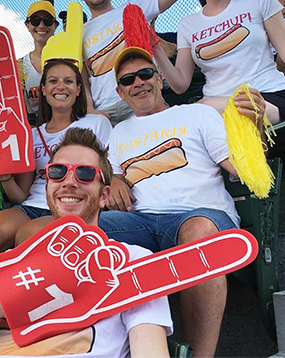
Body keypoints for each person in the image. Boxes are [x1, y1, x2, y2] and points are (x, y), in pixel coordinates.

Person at [0, 128, 173, 358]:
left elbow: (150, 350)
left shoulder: (133, 259)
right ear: (47, 192)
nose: (69, 181)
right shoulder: (13, 261)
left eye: (84, 173)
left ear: (104, 196)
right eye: (57, 172)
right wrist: (12, 298)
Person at [99, 47, 266, 358]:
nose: (139, 82)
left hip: (199, 215)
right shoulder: (119, 132)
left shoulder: (196, 113)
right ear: (121, 93)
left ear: (160, 79)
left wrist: (253, 129)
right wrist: (117, 179)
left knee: (199, 233)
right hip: (140, 221)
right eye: (128, 79)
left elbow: (241, 167)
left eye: (145, 74)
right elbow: (109, 179)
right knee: (82, 231)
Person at [154, 0, 285, 124]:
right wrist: (153, 46)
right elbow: (180, 84)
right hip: (215, 109)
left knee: (207, 111)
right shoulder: (187, 25)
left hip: (267, 98)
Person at [0, 59, 112, 256]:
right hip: (33, 204)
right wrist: (4, 177)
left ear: (78, 89)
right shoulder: (30, 135)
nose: (60, 86)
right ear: (42, 89)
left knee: (29, 234)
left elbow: (106, 175)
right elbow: (21, 195)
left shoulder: (97, 123)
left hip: (72, 203)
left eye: (68, 81)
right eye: (53, 81)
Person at [77, 0, 189, 125]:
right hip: (105, 113)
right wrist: (90, 108)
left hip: (145, 99)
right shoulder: (78, 32)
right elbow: (82, 77)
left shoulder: (134, 8)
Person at [20, 1, 59, 123]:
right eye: (35, 20)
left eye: (47, 20)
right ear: (27, 25)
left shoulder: (66, 60)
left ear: (55, 26)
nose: (41, 25)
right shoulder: (19, 66)